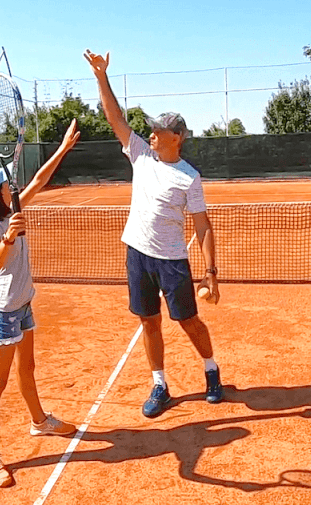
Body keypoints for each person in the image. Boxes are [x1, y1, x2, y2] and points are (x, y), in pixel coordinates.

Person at [84, 49, 223, 419]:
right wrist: (102, 77)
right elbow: (114, 117)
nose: (150, 134)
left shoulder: (189, 177)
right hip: (137, 254)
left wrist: (211, 274)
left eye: (157, 130)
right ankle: (159, 383)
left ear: (176, 136)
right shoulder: (141, 155)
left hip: (172, 260)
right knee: (149, 320)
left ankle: (211, 370)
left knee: (188, 322)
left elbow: (202, 225)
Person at [0, 119, 81, 488]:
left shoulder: (12, 207)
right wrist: (10, 238)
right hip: (3, 311)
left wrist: (63, 149)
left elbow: (38, 182)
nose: (14, 187)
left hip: (24, 304)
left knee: (28, 369)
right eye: (7, 185)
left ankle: (39, 422)